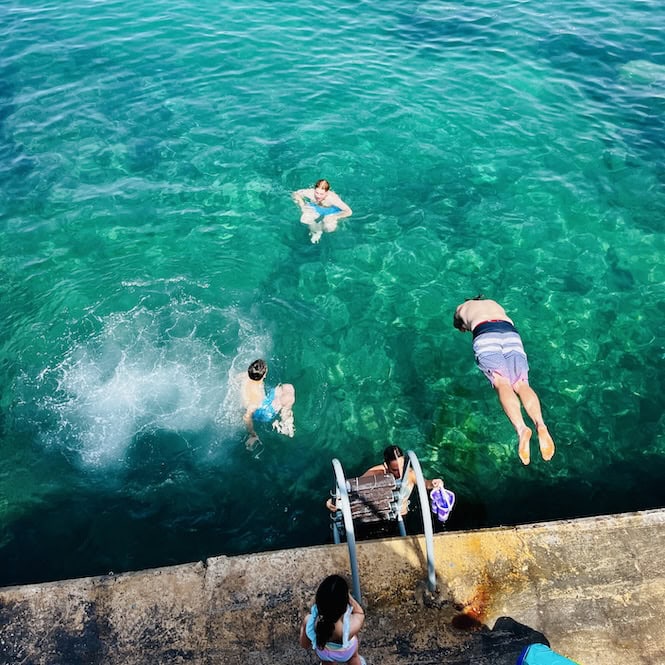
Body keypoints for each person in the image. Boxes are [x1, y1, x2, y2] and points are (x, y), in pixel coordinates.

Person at [453, 297, 556, 466]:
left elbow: (459, 325)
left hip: (485, 333)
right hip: (510, 333)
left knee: (502, 383)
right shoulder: (494, 303)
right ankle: (541, 424)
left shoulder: (461, 307)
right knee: (521, 383)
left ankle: (522, 429)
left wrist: (463, 326)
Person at [326, 445, 443, 514]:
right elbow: (353, 487)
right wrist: (332, 501)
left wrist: (434, 483)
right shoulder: (376, 473)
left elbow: (425, 484)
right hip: (377, 514)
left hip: (401, 515)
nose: (400, 473)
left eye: (402, 467)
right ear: (386, 465)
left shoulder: (411, 474)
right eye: (395, 469)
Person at [299, 574, 366, 665]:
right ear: (344, 607)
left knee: (327, 663)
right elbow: (360, 613)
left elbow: (304, 645)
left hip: (324, 653)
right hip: (347, 653)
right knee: (354, 658)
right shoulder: (348, 628)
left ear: (318, 600)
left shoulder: (310, 621)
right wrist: (349, 597)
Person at [241, 359, 295, 451]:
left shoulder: (246, 376)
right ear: (264, 374)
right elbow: (246, 417)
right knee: (289, 396)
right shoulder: (256, 399)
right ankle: (285, 421)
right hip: (262, 412)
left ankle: (285, 415)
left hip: (262, 401)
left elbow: (234, 378)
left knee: (287, 387)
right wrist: (252, 434)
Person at [292, 178, 352, 243]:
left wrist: (334, 216)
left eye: (321, 194)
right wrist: (302, 206)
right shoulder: (310, 193)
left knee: (329, 228)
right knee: (305, 219)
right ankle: (316, 231)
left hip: (331, 210)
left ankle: (321, 228)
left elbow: (348, 211)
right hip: (316, 208)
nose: (318, 196)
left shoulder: (332, 199)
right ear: (314, 190)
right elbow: (295, 194)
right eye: (317, 192)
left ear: (327, 192)